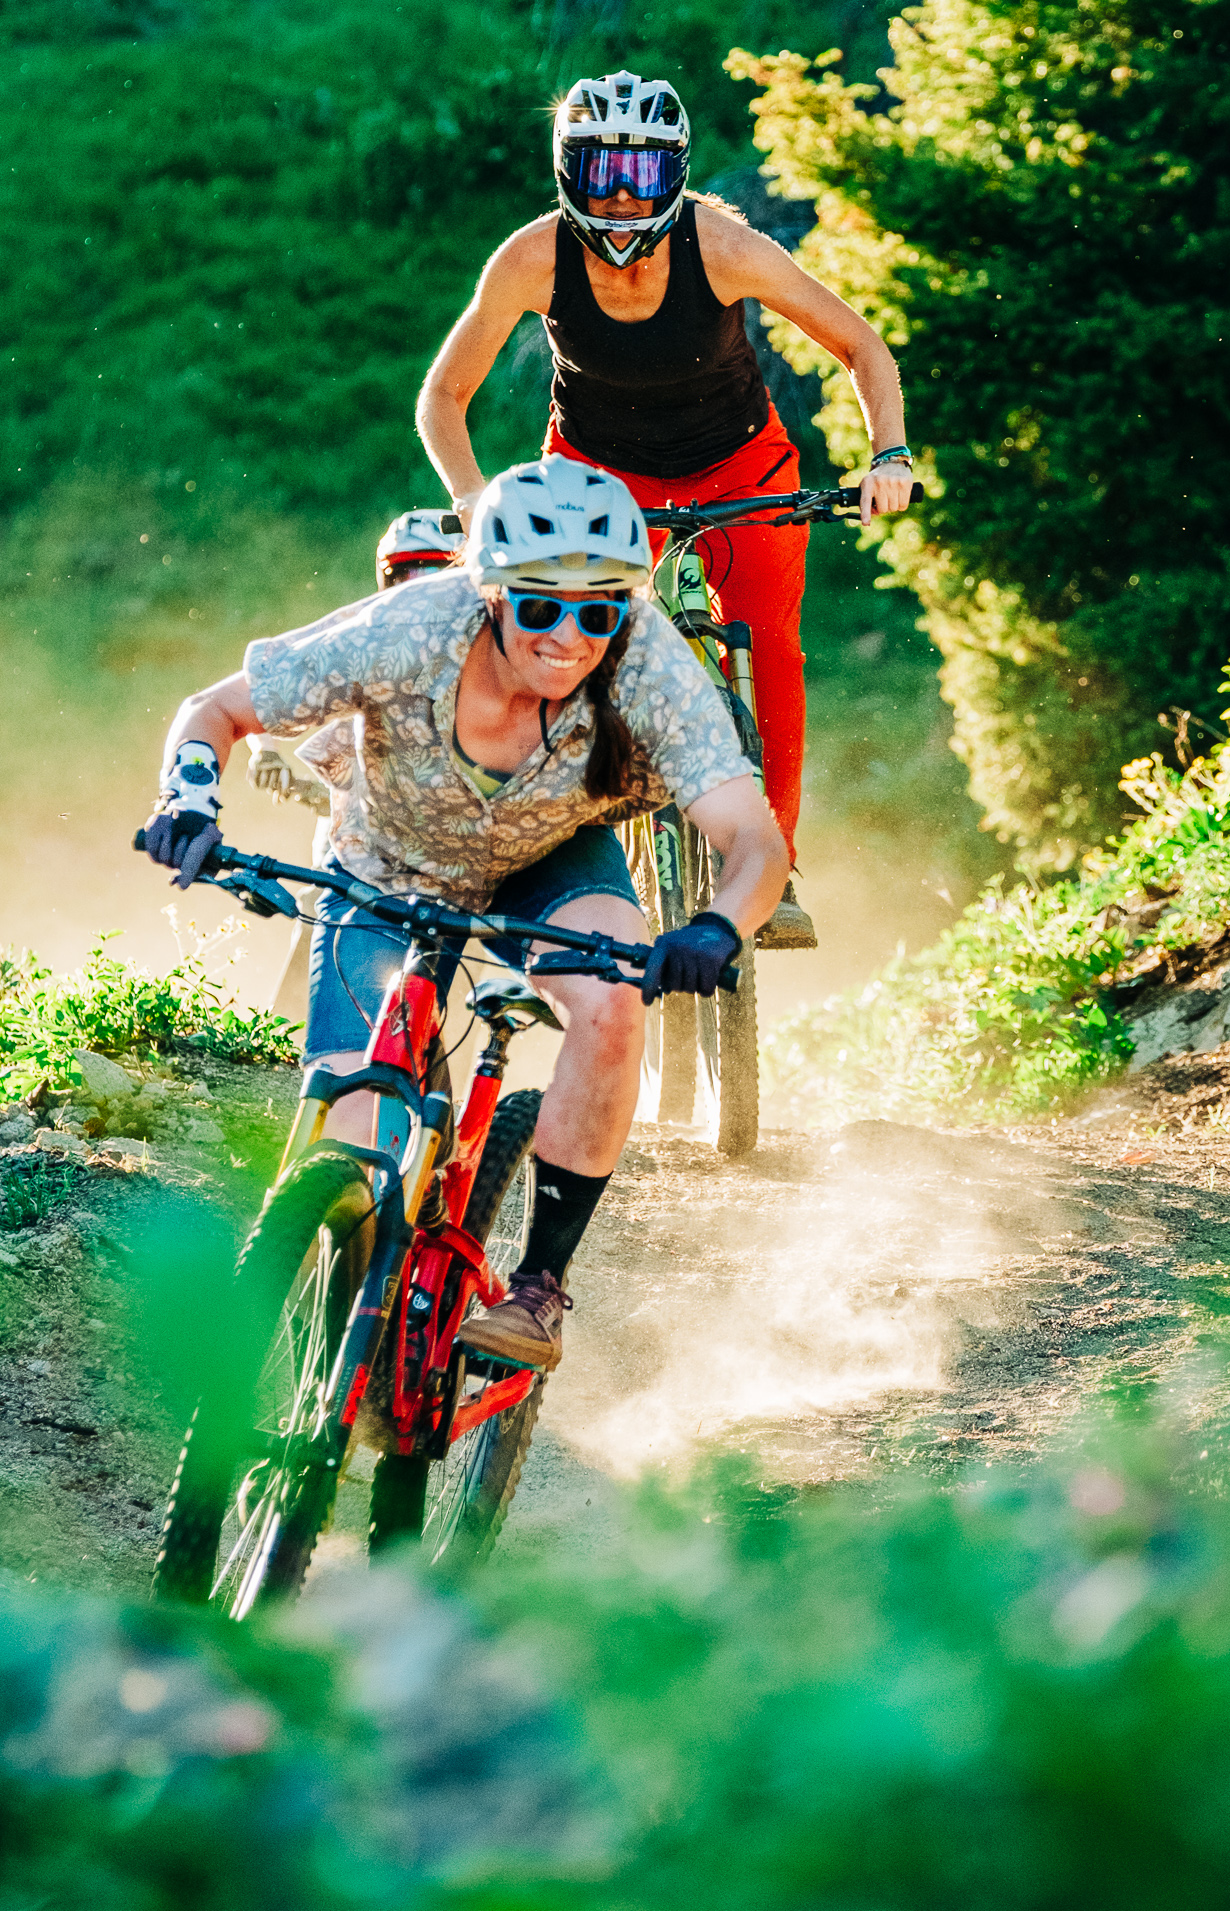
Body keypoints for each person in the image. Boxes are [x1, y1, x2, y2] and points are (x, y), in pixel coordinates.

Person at [141, 457, 788, 1370]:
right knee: (358, 1126)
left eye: (599, 611)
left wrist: (716, 927)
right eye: (539, 607)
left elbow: (753, 842)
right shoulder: (410, 628)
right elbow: (216, 710)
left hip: (550, 852)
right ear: (488, 593)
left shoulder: (649, 666)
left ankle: (536, 1291)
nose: (569, 637)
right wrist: (189, 801)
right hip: (387, 858)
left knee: (610, 1006)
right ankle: (340, 1337)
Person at [415, 68, 919, 949]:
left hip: (741, 469)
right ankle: (562, 848)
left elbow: (861, 347)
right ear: (568, 171)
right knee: (565, 646)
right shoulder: (531, 259)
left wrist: (889, 454)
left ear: (675, 175)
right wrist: (472, 501)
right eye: (601, 173)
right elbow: (443, 398)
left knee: (769, 647)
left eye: (641, 176)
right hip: (594, 477)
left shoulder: (721, 246)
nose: (618, 199)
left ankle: (771, 867)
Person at [245, 509, 471, 1021]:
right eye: (406, 575)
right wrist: (264, 751)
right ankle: (280, 1043)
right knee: (325, 921)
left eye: (436, 574)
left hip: (459, 844)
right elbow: (261, 686)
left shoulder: (494, 641)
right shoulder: (368, 633)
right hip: (363, 828)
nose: (420, 590)